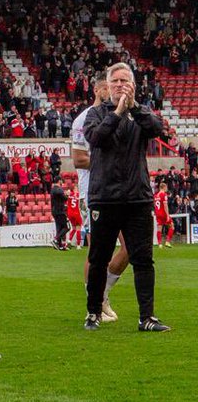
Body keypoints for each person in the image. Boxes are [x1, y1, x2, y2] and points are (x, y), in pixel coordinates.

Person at [83, 62, 168, 332]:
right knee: (99, 258)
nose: (120, 85)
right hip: (104, 197)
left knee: (143, 259)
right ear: (107, 86)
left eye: (125, 81)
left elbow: (157, 128)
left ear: (133, 85)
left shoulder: (141, 113)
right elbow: (97, 138)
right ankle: (94, 312)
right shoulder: (94, 114)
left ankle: (147, 317)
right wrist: (118, 112)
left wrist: (131, 108)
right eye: (115, 81)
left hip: (137, 198)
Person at [71, 77, 125, 321]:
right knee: (97, 250)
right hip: (92, 192)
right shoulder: (83, 119)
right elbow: (79, 159)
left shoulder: (117, 115)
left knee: (131, 248)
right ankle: (93, 302)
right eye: (107, 86)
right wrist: (110, 162)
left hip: (119, 190)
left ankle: (101, 294)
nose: (111, 89)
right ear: (96, 89)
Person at [155, 179, 174, 249]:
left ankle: (159, 244)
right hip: (163, 214)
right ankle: (167, 242)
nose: (167, 189)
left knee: (159, 228)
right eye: (166, 188)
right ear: (164, 187)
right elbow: (165, 205)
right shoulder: (164, 194)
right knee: (172, 226)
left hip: (158, 214)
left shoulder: (156, 195)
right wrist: (168, 215)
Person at [50, 179, 69, 250]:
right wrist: (67, 194)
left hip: (54, 211)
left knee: (59, 228)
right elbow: (64, 198)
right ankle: (55, 240)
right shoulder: (58, 189)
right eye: (61, 180)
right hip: (60, 211)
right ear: (59, 181)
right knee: (66, 227)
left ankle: (60, 245)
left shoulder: (53, 189)